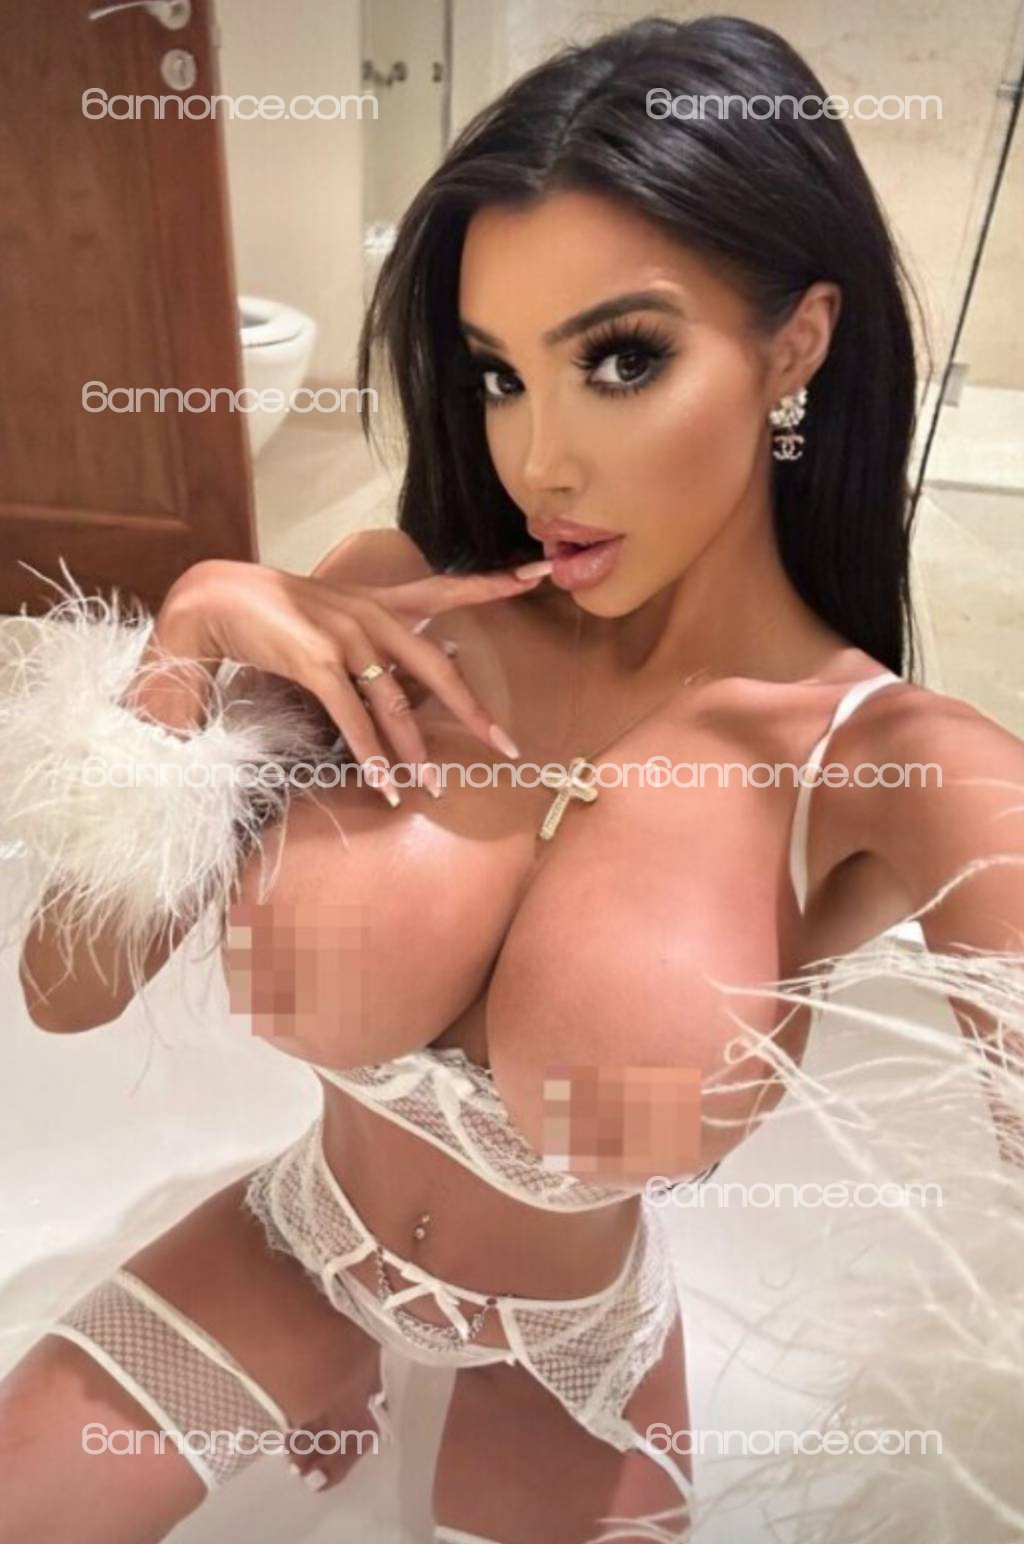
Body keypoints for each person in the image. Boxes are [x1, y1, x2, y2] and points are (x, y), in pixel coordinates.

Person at [1, 15, 1022, 1544]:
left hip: (572, 1369)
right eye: (497, 374)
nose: (540, 461)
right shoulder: (383, 610)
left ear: (796, 345)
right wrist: (189, 642)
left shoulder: (899, 769)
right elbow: (65, 992)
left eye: (622, 359)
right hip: (297, 1247)